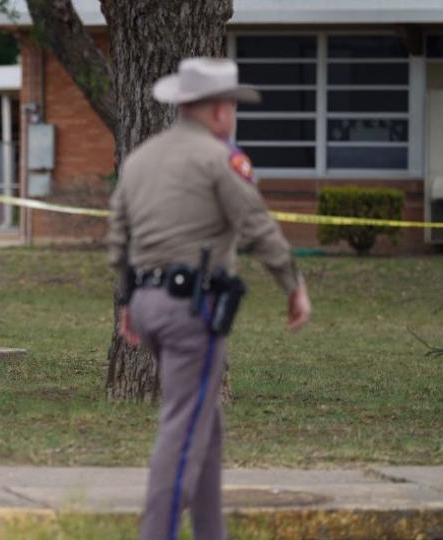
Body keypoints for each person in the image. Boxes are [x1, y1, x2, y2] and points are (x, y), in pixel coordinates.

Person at [106, 57, 312, 540]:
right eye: (233, 107)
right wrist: (293, 284)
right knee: (181, 431)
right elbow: (256, 225)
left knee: (204, 425)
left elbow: (117, 239)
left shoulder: (139, 159)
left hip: (148, 305)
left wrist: (127, 303)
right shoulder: (221, 158)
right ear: (219, 110)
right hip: (191, 311)